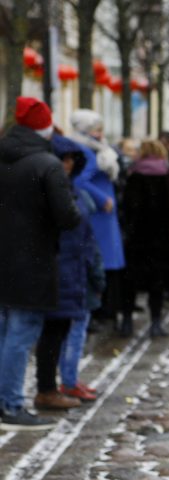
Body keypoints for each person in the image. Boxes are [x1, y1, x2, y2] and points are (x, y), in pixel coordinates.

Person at [0, 97, 80, 430]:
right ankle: (10, 404)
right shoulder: (47, 164)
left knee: (5, 331)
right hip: (32, 260)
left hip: (3, 257)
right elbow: (68, 216)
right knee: (21, 333)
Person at [34, 135, 104, 411]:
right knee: (53, 332)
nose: (69, 164)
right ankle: (51, 387)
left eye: (72, 160)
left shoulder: (73, 190)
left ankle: (60, 383)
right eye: (64, 159)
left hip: (74, 268)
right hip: (60, 269)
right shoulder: (53, 192)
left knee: (63, 329)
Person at [120, 140, 169, 338]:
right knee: (157, 283)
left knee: (130, 282)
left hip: (137, 238)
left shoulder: (134, 174)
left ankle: (127, 321)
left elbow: (127, 207)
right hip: (161, 239)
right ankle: (156, 322)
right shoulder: (168, 175)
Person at [70, 109, 126, 324]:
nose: (101, 133)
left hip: (103, 215)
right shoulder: (88, 152)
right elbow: (81, 181)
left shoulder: (92, 149)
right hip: (99, 215)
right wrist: (103, 199)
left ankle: (103, 309)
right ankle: (100, 310)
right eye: (97, 129)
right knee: (99, 262)